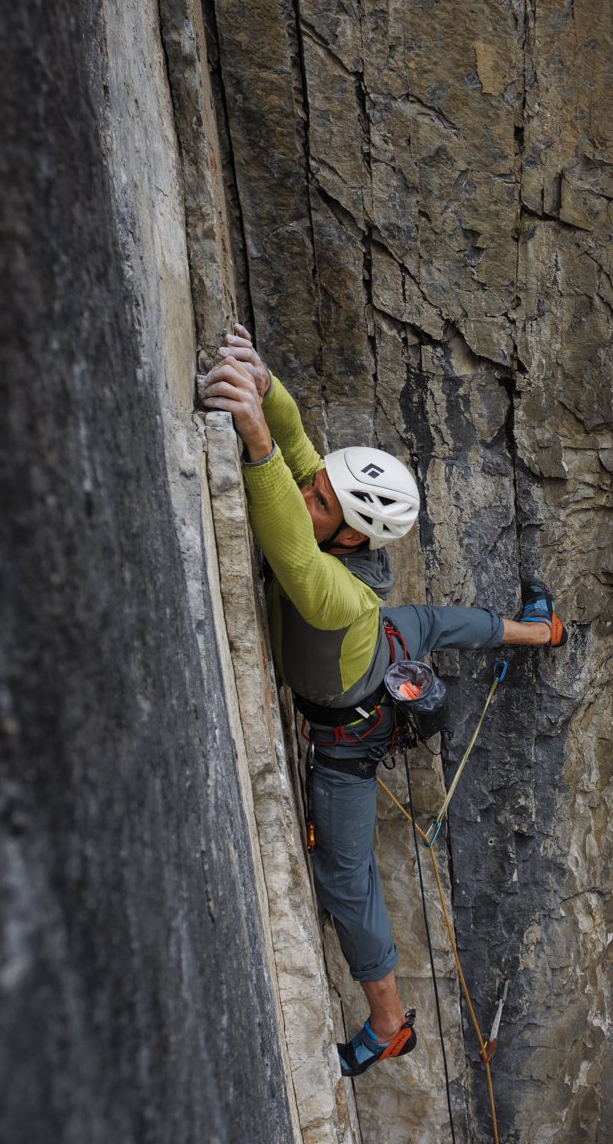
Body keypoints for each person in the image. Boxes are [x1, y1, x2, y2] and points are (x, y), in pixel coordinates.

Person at [199, 325, 562, 1077]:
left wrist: (257, 443)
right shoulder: (341, 531)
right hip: (377, 651)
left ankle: (389, 1025)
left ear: (352, 537)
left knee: (345, 875)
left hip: (347, 735)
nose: (307, 496)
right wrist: (267, 390)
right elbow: (300, 449)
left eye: (321, 503)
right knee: (430, 622)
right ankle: (537, 629)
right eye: (315, 487)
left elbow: (293, 555)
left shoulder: (335, 593)